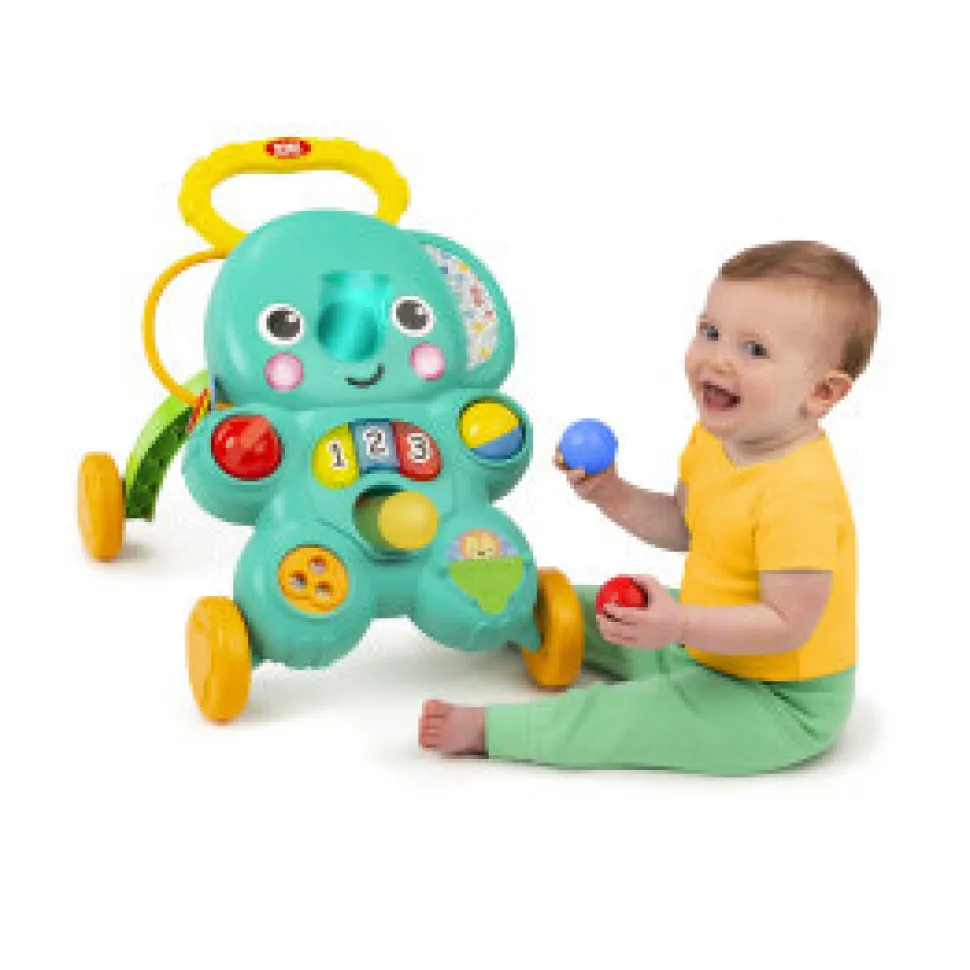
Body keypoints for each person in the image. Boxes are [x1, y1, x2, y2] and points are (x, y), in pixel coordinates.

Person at [418, 241, 878, 775]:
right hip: (702, 641)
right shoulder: (719, 439)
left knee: (626, 717)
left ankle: (491, 730)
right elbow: (686, 526)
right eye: (710, 331)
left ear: (822, 393)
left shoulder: (801, 494)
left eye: (754, 349)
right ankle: (499, 612)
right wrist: (612, 492)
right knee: (581, 607)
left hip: (775, 697)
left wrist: (680, 623)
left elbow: (786, 625)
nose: (717, 358)